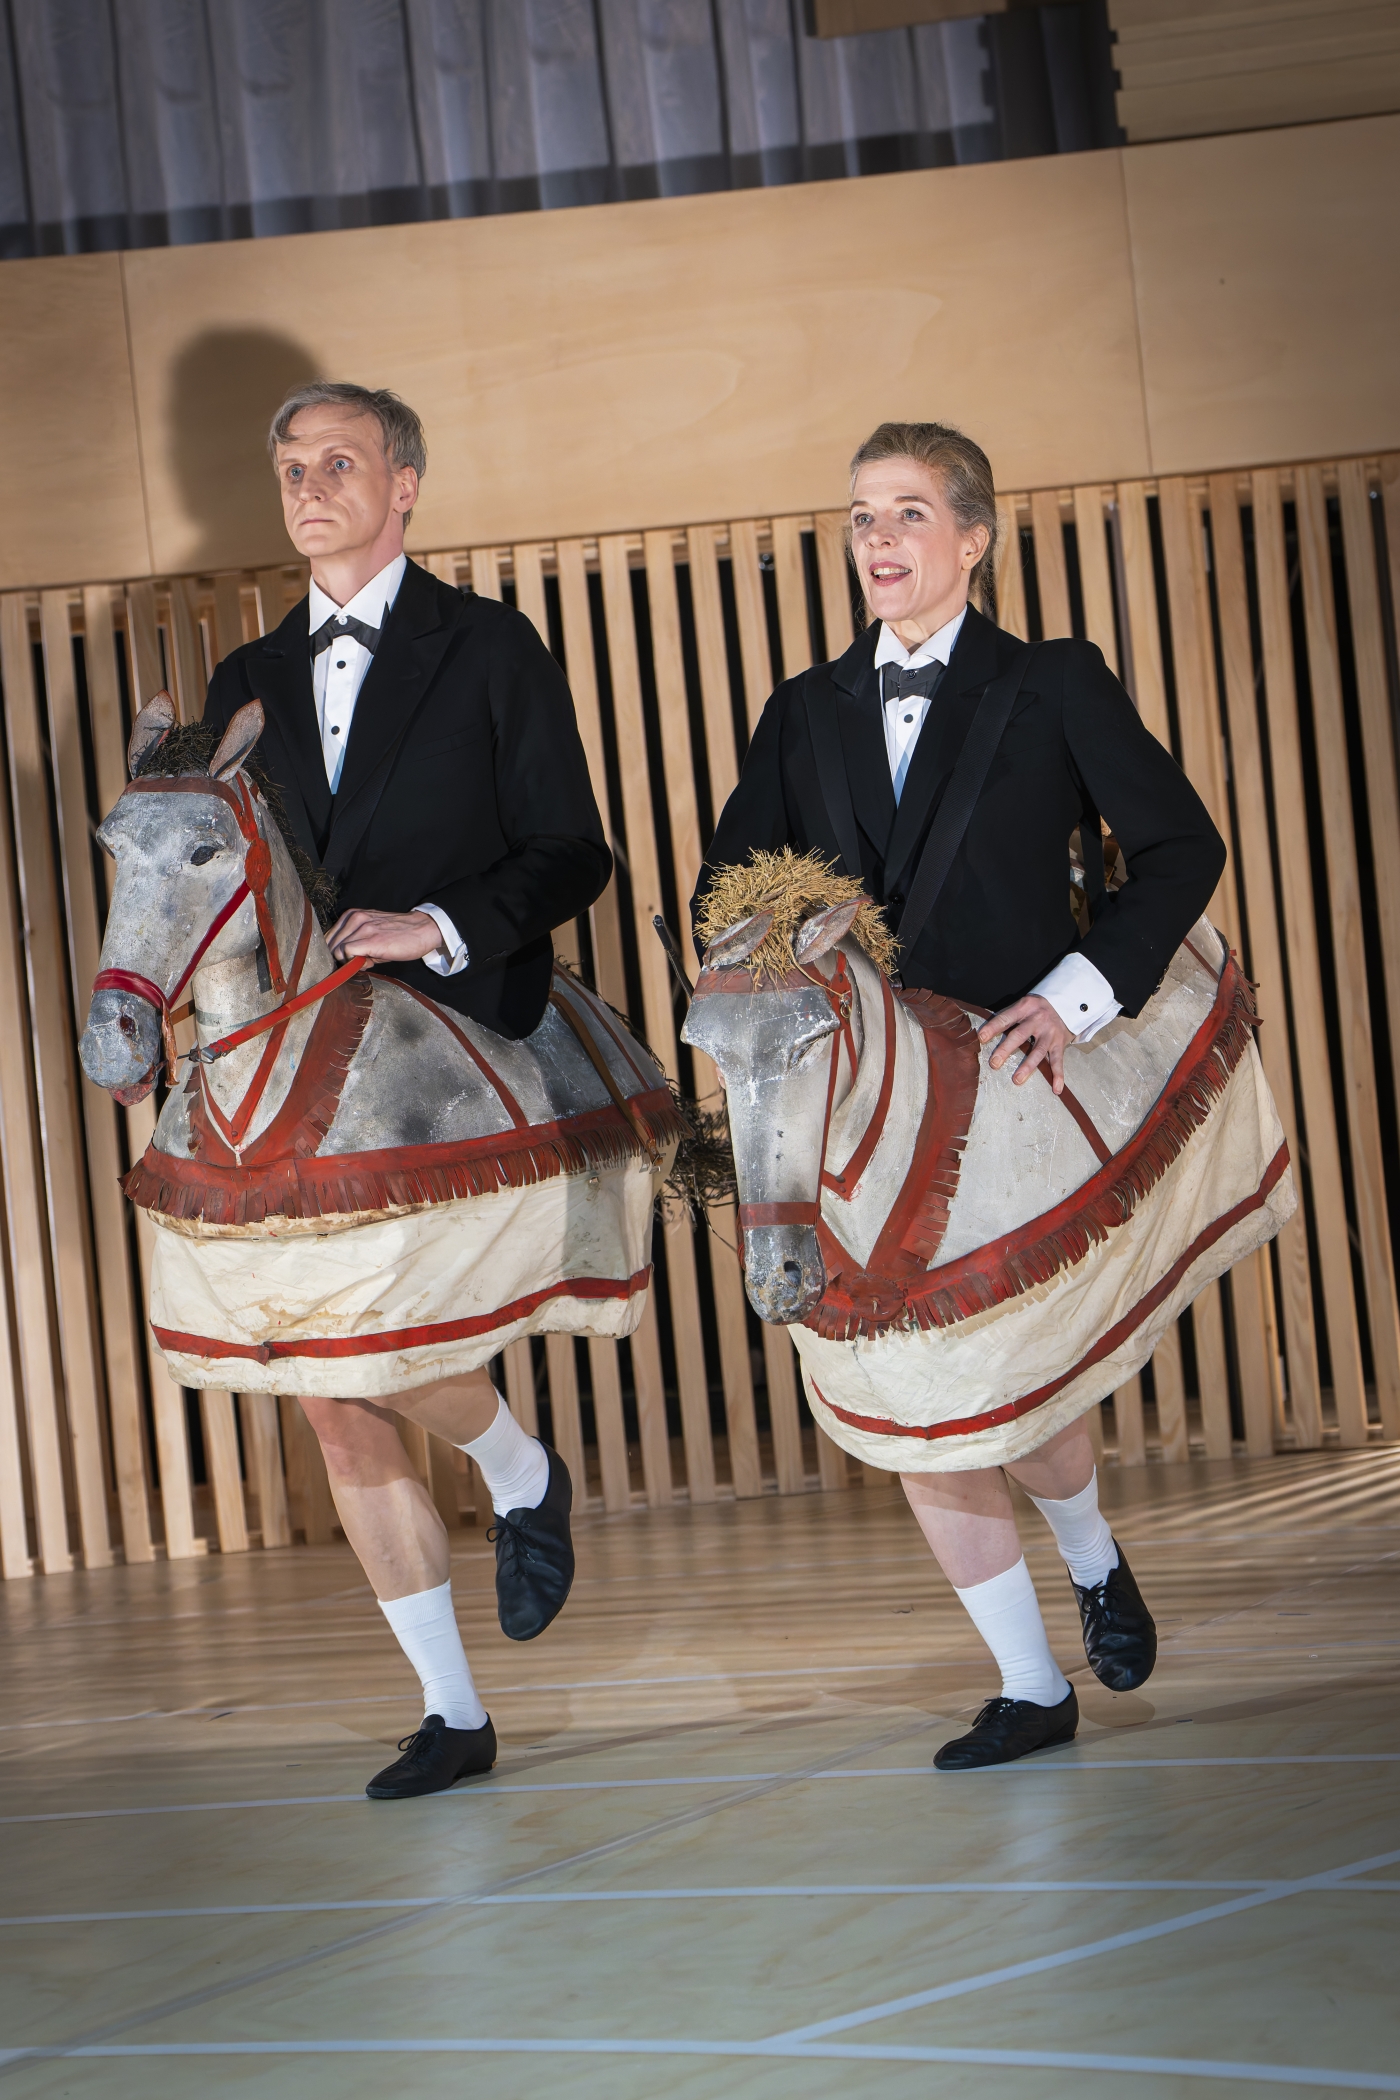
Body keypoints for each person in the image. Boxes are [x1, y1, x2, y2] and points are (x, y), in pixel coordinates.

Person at [693, 421, 1226, 1769]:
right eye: (863, 515)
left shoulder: (1052, 684)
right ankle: (1028, 1681)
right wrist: (757, 951)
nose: (877, 539)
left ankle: (1093, 1556)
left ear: (973, 538)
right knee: (909, 1380)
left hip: (1010, 1075)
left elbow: (1180, 848)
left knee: (1008, 1388)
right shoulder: (801, 711)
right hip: (858, 1106)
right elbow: (726, 892)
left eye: (908, 513)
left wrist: (1078, 995)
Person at [203, 381, 612, 1799]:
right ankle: (453, 1710)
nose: (312, 487)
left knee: (357, 1346)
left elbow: (571, 850)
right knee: (330, 1386)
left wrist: (430, 923)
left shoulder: (492, 648)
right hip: (299, 1058)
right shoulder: (238, 678)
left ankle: (515, 1472)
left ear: (408, 484)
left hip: (456, 1026)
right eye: (293, 470)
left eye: (340, 464)